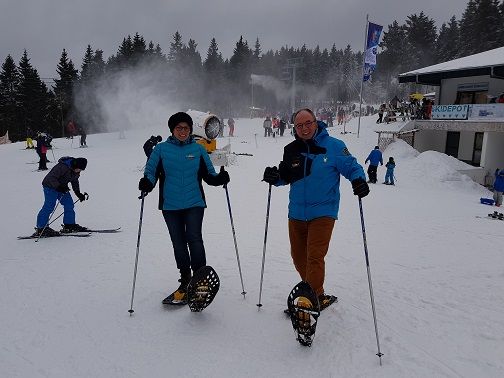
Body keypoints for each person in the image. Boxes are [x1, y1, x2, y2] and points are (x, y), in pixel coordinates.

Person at [262, 108, 369, 311]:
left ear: (316, 122)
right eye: (299, 125)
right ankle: (315, 294)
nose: (304, 128)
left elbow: (353, 167)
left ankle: (308, 300)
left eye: (308, 123)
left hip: (323, 211)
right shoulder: (291, 149)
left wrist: (359, 180)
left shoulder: (334, 146)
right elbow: (286, 175)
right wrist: (275, 178)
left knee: (314, 256)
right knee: (298, 256)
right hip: (296, 212)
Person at [138, 112, 230, 304]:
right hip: (170, 205)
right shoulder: (161, 150)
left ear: (190, 130)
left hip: (194, 203)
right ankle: (186, 280)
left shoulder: (198, 150)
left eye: (186, 128)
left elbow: (209, 175)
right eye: (179, 128)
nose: (183, 131)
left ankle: (200, 278)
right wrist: (147, 183)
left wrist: (219, 179)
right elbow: (151, 172)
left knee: (194, 239)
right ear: (172, 129)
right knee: (178, 242)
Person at [34, 157, 89, 236]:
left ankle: (69, 225)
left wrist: (78, 193)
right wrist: (59, 187)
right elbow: (50, 178)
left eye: (81, 170)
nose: (79, 171)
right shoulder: (62, 167)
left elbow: (75, 180)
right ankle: (41, 228)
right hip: (50, 186)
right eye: (79, 169)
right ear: (75, 165)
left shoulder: (76, 170)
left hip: (62, 188)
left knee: (69, 204)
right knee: (49, 206)